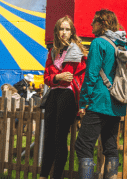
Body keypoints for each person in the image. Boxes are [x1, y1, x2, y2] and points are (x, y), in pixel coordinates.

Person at [75, 9, 127, 179]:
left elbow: (91, 75)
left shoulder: (98, 43)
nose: (91, 24)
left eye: (94, 21)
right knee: (110, 146)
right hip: (117, 102)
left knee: (83, 146)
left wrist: (83, 103)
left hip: (99, 101)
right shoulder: (122, 45)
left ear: (102, 23)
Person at [40, 15, 87, 179]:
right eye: (61, 29)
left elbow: (69, 75)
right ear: (56, 31)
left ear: (72, 32)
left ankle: (56, 176)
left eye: (67, 29)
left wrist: (55, 77)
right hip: (54, 94)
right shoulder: (53, 52)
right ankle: (43, 175)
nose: (64, 32)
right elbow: (46, 78)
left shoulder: (75, 51)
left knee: (60, 139)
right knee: (49, 138)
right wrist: (56, 78)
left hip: (68, 94)